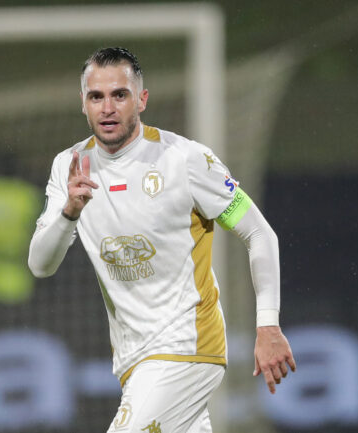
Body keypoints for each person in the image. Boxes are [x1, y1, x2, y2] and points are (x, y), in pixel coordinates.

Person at [28, 47, 295, 433]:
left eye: (119, 95)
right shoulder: (70, 167)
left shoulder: (184, 160)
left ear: (142, 99)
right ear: (82, 104)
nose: (108, 108)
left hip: (187, 346)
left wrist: (268, 325)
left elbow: (258, 232)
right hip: (133, 360)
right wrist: (69, 211)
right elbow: (40, 265)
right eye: (96, 97)